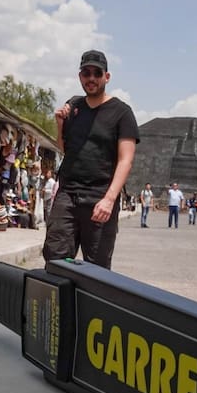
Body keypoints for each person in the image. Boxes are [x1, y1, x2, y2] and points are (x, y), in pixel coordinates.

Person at [43, 50, 138, 269]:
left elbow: (126, 160)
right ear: (80, 76)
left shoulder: (122, 113)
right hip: (68, 194)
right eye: (86, 73)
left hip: (100, 196)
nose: (91, 78)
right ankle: (62, 303)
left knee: (97, 268)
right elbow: (64, 148)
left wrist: (109, 199)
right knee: (55, 259)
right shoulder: (74, 106)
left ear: (107, 76)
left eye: (97, 73)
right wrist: (59, 124)